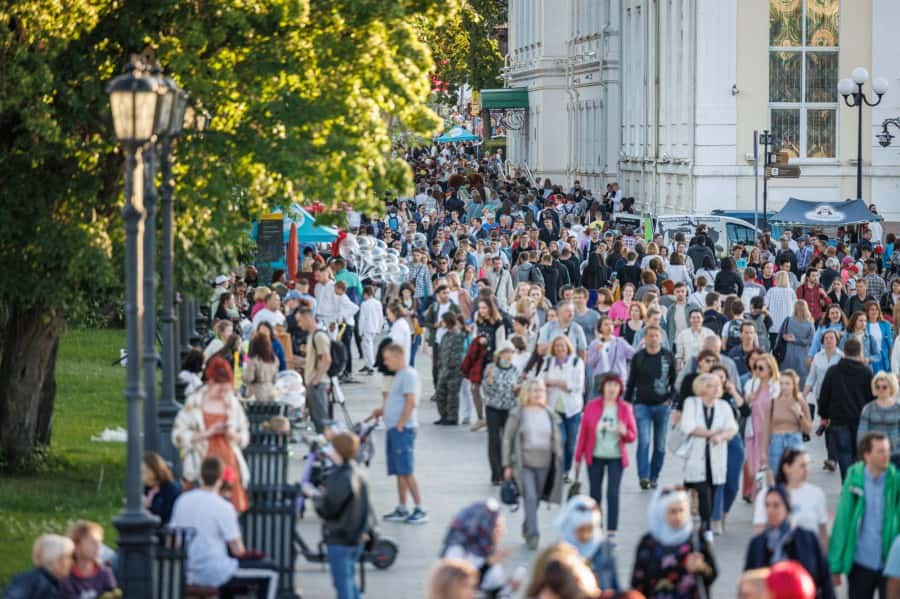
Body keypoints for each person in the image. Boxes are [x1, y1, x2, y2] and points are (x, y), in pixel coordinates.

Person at [169, 456, 278, 597]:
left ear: (201, 476)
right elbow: (238, 550)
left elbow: (173, 540)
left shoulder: (182, 500)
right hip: (215, 571)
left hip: (187, 570)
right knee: (270, 571)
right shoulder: (223, 506)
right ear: (221, 478)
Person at [172, 357, 250, 512]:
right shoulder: (194, 402)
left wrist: (232, 434)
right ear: (210, 382)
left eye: (226, 389)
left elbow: (244, 435)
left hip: (228, 464)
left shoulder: (233, 404)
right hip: (200, 464)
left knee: (228, 510)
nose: (223, 394)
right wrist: (207, 433)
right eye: (219, 389)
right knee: (199, 510)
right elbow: (177, 436)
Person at [830, 432, 900, 598]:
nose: (886, 455)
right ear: (867, 455)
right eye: (881, 451)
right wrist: (835, 566)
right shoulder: (854, 480)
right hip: (860, 562)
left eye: (887, 451)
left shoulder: (895, 481)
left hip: (888, 563)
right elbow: (842, 522)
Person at [310, 432, 374, 599]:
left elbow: (328, 510)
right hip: (357, 535)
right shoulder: (359, 473)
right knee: (349, 580)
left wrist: (315, 498)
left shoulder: (339, 477)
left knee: (342, 584)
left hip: (340, 536)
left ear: (338, 451)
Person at [573, 374, 636, 542]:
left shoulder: (625, 408)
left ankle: (611, 532)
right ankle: (596, 528)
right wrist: (578, 457)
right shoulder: (592, 406)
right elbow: (584, 434)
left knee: (613, 493)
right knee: (595, 494)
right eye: (609, 385)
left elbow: (632, 436)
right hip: (595, 456)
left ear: (620, 389)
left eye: (615, 386)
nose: (612, 389)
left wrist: (624, 432)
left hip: (616, 457)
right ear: (603, 387)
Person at [503, 379, 564, 550]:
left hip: (545, 462)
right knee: (529, 496)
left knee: (536, 499)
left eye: (541, 391)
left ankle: (527, 524)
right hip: (524, 463)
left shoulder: (549, 414)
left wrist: (559, 459)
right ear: (526, 393)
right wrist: (507, 464)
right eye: (534, 390)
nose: (537, 394)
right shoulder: (518, 413)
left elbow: (557, 439)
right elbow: (508, 438)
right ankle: (533, 534)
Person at [743, 486, 835, 599]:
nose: (770, 510)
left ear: (787, 507)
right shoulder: (757, 544)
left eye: (776, 505)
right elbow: (748, 583)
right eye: (767, 505)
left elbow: (824, 579)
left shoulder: (807, 538)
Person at [372, 343, 428, 524]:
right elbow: (396, 399)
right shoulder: (400, 375)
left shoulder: (409, 375)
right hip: (396, 427)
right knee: (399, 471)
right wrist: (383, 410)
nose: (386, 363)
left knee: (406, 469)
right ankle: (402, 507)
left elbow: (410, 401)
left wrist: (401, 424)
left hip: (402, 429)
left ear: (398, 356)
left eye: (388, 359)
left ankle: (419, 508)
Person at [631, 488, 717, 599]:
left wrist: (702, 567)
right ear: (660, 513)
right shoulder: (648, 543)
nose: (678, 516)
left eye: (681, 510)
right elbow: (637, 584)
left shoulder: (695, 538)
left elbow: (712, 574)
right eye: (672, 511)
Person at [680, 373, 739, 537]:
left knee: (712, 489)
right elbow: (688, 427)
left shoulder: (723, 406)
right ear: (703, 388)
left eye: (718, 386)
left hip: (716, 454)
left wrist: (720, 437)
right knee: (702, 488)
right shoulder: (691, 403)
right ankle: (706, 528)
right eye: (712, 385)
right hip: (696, 454)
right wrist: (712, 433)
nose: (716, 388)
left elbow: (732, 428)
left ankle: (706, 523)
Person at [625, 325, 676, 490]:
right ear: (645, 338)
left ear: (660, 338)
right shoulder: (639, 357)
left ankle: (654, 476)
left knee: (660, 445)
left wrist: (670, 400)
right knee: (644, 441)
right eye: (650, 336)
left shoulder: (668, 356)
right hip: (642, 406)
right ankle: (644, 476)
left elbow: (674, 382)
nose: (653, 339)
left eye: (656, 336)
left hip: (662, 406)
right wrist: (626, 405)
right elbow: (631, 382)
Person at [819, 338, 874, 481]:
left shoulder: (833, 371)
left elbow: (824, 395)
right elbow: (871, 397)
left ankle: (847, 483)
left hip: (838, 418)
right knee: (858, 454)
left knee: (844, 453)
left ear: (844, 352)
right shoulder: (866, 371)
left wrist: (824, 415)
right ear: (859, 352)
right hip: (860, 419)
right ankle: (856, 483)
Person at [752, 448, 829, 549]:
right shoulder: (767, 494)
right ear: (786, 468)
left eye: (807, 465)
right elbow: (759, 529)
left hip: (808, 556)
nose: (806, 470)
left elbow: (822, 531)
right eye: (802, 466)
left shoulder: (817, 494)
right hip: (778, 556)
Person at [539, 335, 585, 480]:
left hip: (572, 409)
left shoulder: (576, 362)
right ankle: (558, 470)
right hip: (554, 408)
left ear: (568, 347)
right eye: (557, 345)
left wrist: (556, 383)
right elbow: (541, 381)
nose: (560, 348)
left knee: (571, 443)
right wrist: (560, 383)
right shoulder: (548, 362)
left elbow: (577, 385)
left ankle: (566, 470)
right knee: (560, 440)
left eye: (563, 345)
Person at [440, 500, 510, 596]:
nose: (502, 531)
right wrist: (487, 565)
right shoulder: (458, 553)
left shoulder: (486, 552)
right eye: (497, 527)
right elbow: (458, 587)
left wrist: (509, 588)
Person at [555, 495, 619, 593]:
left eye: (589, 530)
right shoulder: (560, 553)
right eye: (580, 530)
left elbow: (614, 583)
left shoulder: (604, 549)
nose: (585, 536)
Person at [482, 340, 520, 485]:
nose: (508, 355)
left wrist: (518, 389)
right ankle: (496, 474)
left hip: (509, 408)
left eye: (510, 352)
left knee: (508, 441)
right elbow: (486, 391)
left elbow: (518, 391)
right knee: (494, 440)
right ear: (499, 354)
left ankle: (507, 472)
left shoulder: (515, 370)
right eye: (505, 352)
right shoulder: (490, 368)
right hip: (493, 408)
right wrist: (489, 381)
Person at [744, 353, 780, 497]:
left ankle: (769, 499)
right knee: (754, 471)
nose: (757, 371)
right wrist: (748, 397)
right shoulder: (751, 384)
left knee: (769, 469)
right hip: (753, 433)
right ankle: (759, 498)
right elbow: (745, 406)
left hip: (770, 433)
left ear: (770, 369)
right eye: (755, 368)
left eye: (761, 368)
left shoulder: (776, 386)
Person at [766, 369, 812, 477]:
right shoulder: (772, 402)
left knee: (795, 477)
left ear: (794, 385)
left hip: (794, 440)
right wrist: (763, 453)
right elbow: (766, 430)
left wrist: (799, 414)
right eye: (781, 383)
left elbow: (808, 429)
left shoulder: (800, 401)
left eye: (787, 384)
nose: (784, 387)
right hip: (776, 441)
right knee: (777, 477)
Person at [295, 307, 332, 433]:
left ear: (307, 318)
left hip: (318, 383)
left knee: (321, 420)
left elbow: (326, 359)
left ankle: (327, 449)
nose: (299, 325)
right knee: (317, 419)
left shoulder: (319, 336)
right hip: (313, 383)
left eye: (300, 321)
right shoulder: (312, 336)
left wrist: (316, 380)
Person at [2, 534, 74, 599]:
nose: (72, 562)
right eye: (68, 557)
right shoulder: (30, 580)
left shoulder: (58, 584)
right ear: (54, 559)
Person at [60, 521, 117, 599]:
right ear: (76, 546)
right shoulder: (65, 576)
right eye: (93, 543)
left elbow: (113, 594)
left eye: (100, 542)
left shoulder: (104, 572)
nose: (99, 546)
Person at [858, 372, 900, 469]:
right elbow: (862, 433)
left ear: (891, 388)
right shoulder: (868, 409)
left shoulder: (898, 408)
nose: (880, 390)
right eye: (877, 387)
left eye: (884, 387)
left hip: (895, 455)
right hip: (874, 454)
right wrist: (863, 453)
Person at [586, 316, 635, 395]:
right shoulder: (594, 343)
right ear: (600, 328)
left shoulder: (620, 342)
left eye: (611, 324)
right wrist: (597, 352)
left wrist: (642, 345)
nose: (609, 326)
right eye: (606, 324)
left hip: (618, 378)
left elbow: (633, 354)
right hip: (600, 379)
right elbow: (591, 363)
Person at [434, 312, 467, 426]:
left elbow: (456, 354)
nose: (441, 323)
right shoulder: (445, 335)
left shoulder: (457, 335)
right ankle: (443, 415)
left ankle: (452, 417)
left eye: (443, 321)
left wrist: (450, 366)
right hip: (444, 369)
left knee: (452, 395)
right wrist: (440, 365)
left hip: (454, 370)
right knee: (440, 393)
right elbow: (441, 351)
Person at [779, 300, 814, 387]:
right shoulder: (809, 323)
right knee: (802, 380)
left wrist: (789, 338)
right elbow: (811, 340)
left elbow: (781, 335)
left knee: (787, 376)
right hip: (803, 355)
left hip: (788, 353)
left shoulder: (788, 320)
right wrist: (798, 340)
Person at [142, 451, 181, 526]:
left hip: (163, 533)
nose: (141, 477)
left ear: (154, 471)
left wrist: (146, 508)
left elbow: (166, 517)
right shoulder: (146, 489)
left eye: (144, 472)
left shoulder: (171, 489)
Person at [243, 331, 279, 402]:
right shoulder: (274, 359)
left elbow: (249, 378)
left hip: (256, 395)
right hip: (271, 392)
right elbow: (275, 379)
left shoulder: (253, 359)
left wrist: (243, 376)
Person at [766, 271, 797, 349]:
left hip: (774, 325)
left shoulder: (771, 291)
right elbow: (795, 307)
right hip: (787, 325)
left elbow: (765, 305)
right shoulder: (791, 292)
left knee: (773, 348)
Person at [357, 286, 384, 375]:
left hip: (366, 328)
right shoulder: (378, 303)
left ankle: (371, 366)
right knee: (367, 346)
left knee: (368, 347)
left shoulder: (364, 304)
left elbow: (362, 318)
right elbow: (381, 316)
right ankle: (367, 364)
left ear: (366, 294)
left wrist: (360, 331)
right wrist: (379, 327)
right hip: (375, 327)